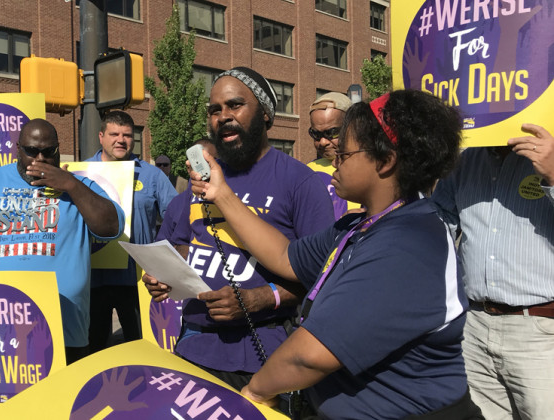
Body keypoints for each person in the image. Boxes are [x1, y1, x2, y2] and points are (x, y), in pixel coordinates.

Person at [187, 89, 483, 418]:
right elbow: (286, 256)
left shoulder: (408, 243)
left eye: (344, 152)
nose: (334, 159)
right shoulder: (359, 225)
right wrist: (222, 194)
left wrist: (255, 391)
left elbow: (310, 355)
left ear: (385, 161)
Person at [143, 67, 334, 390]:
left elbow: (324, 278)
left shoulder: (301, 182)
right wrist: (163, 277)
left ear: (266, 116)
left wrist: (262, 298)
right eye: (215, 110)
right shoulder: (200, 181)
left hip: (264, 357)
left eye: (235, 105)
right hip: (193, 348)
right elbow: (181, 246)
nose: (223, 116)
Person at [0, 118, 125, 363]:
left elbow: (112, 227)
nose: (39, 159)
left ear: (58, 149)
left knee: (61, 399)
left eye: (48, 152)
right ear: (18, 149)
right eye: (30, 151)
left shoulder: (79, 186)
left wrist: (70, 185)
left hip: (64, 327)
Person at [431, 124, 554, 420]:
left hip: (540, 333)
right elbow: (440, 223)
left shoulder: (549, 153)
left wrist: (553, 174)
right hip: (474, 325)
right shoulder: (465, 159)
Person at [85, 111, 177, 353]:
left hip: (137, 280)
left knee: (142, 348)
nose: (121, 140)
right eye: (114, 134)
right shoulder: (80, 174)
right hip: (93, 279)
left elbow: (176, 217)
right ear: (101, 136)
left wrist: (161, 254)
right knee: (94, 350)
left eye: (127, 135)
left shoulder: (152, 175)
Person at [306, 92, 362, 219]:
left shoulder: (372, 167)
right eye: (316, 134)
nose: (323, 142)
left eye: (332, 132)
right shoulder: (305, 172)